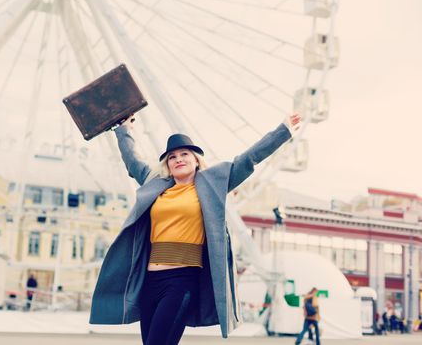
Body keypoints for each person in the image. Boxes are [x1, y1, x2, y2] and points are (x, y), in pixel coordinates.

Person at [89, 112, 301, 344]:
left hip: (181, 280)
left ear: (196, 159)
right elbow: (133, 162)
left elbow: (249, 159)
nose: (178, 159)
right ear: (167, 164)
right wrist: (123, 130)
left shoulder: (213, 183)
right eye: (172, 157)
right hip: (149, 281)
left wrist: (283, 131)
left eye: (184, 154)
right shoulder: (155, 184)